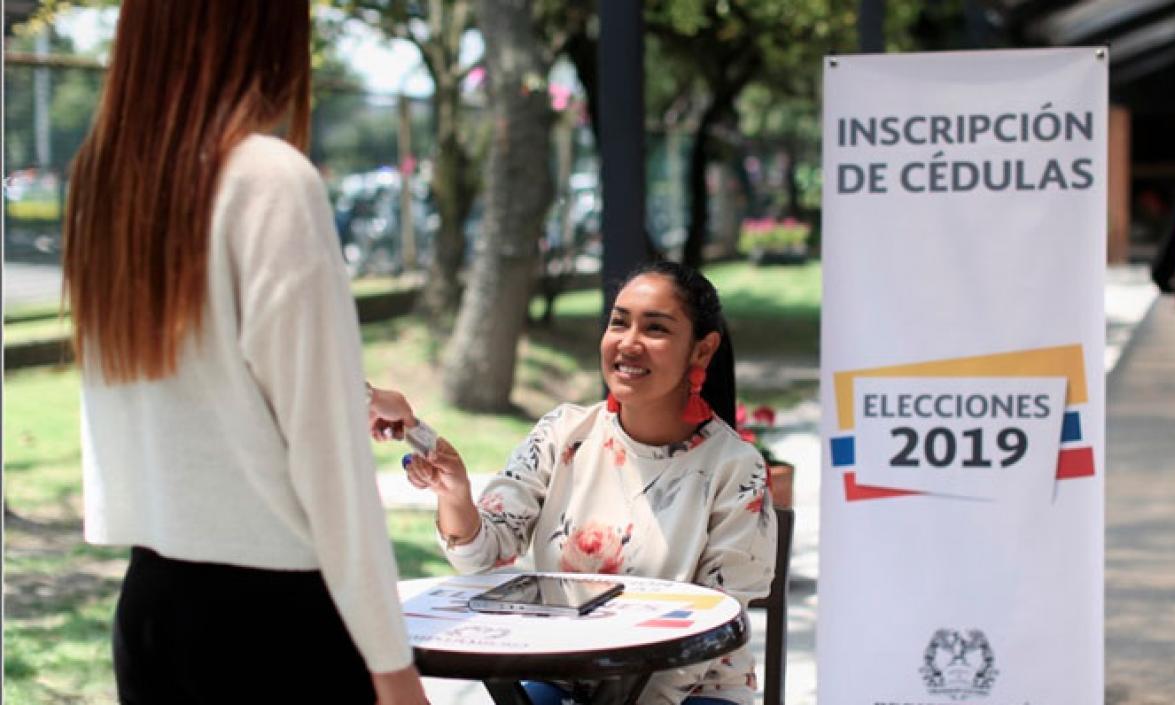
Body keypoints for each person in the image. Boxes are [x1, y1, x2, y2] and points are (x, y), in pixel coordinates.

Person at [61, 2, 427, 702]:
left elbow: (195, 382)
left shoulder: (103, 182)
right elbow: (329, 463)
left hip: (151, 608)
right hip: (274, 627)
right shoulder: (269, 180)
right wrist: (393, 666)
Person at [396, 261, 776, 705]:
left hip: (687, 690)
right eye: (619, 322)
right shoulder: (562, 434)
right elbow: (480, 558)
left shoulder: (735, 467)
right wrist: (455, 495)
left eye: (655, 329)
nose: (628, 343)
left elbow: (714, 625)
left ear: (701, 351)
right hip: (560, 678)